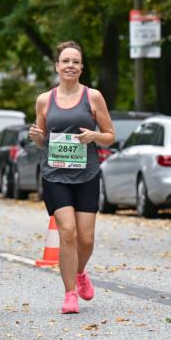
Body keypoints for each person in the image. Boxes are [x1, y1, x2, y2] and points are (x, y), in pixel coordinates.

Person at [28, 41, 115, 314]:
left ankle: (79, 273)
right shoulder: (45, 100)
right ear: (57, 66)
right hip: (55, 175)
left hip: (87, 174)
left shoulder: (93, 97)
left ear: (81, 68)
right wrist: (37, 137)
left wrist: (94, 136)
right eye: (65, 61)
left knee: (86, 240)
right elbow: (42, 141)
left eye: (75, 62)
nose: (70, 66)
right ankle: (69, 294)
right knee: (67, 232)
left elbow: (110, 136)